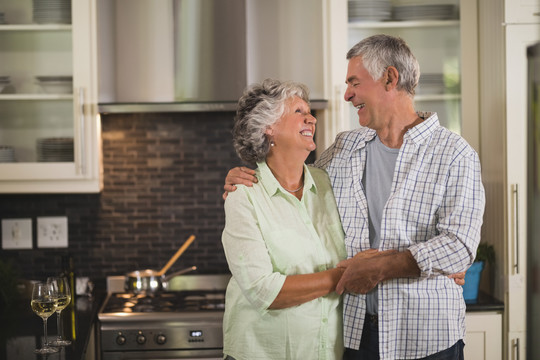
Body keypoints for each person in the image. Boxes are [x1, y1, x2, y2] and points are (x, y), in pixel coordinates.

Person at [223, 34, 484, 360]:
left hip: (425, 338)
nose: (346, 94)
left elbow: (459, 246)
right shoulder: (345, 150)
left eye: (354, 82)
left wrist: (399, 265)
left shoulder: (454, 154)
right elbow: (288, 176)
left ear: (390, 78)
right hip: (355, 336)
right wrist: (246, 173)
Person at [222, 78, 383, 360]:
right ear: (268, 127)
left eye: (310, 111)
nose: (312, 118)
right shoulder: (244, 196)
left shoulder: (329, 183)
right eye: (299, 111)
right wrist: (343, 276)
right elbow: (264, 291)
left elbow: (376, 229)